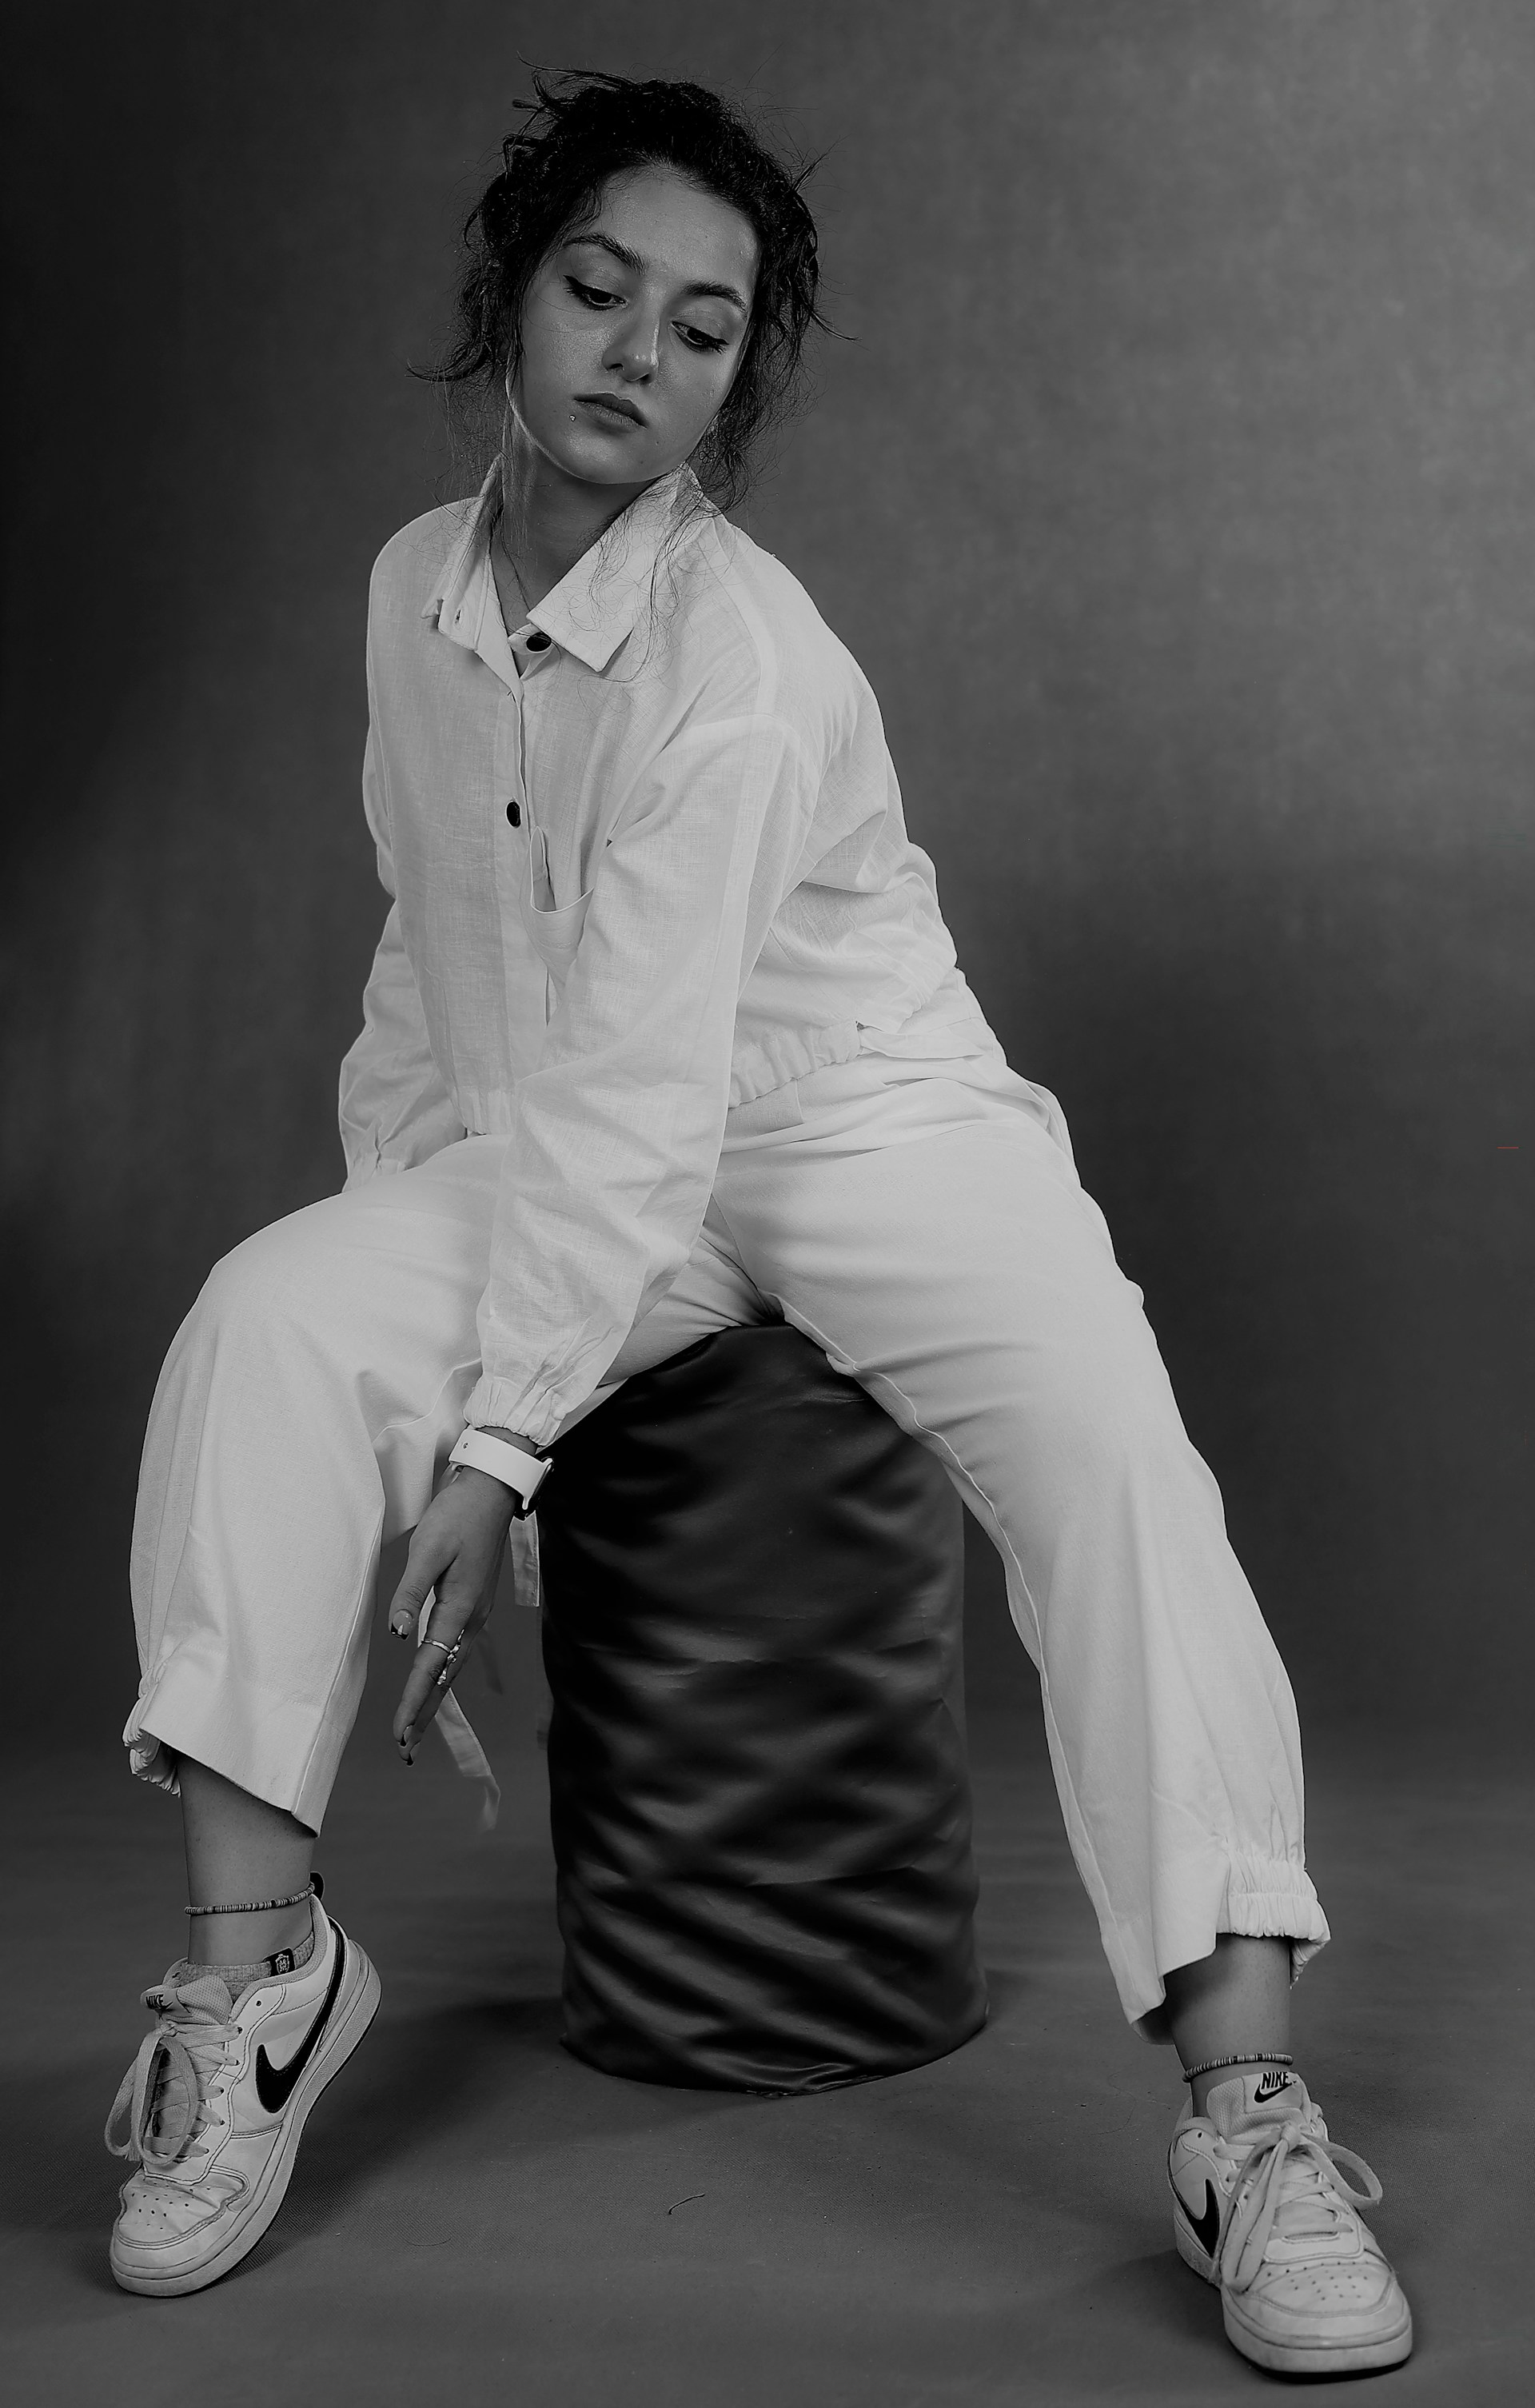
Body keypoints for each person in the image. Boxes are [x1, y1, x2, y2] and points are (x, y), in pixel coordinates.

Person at [108, 71, 1413, 2376]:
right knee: (264, 1324)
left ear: (741, 376)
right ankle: (258, 1981)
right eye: (600, 289)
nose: (638, 353)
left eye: (704, 329)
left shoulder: (749, 657)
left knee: (1119, 1461)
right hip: (580, 1132)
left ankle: (1251, 2107)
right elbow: (443, 974)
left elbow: (649, 1077)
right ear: (510, 288)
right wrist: (430, 1365)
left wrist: (505, 1446)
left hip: (862, 1122)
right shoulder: (409, 591)